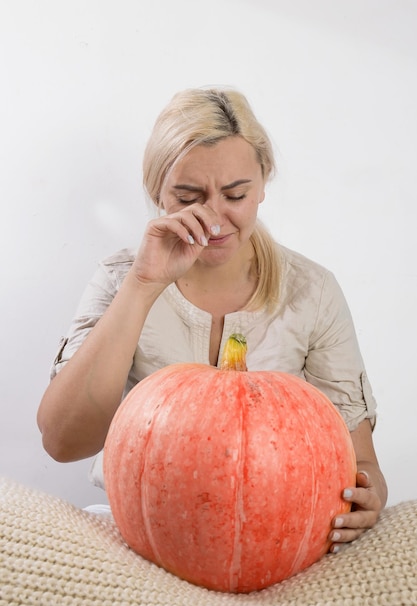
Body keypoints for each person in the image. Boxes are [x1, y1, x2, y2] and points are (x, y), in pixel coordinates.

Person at [37, 87, 388, 553]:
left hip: (273, 538)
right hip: (141, 533)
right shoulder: (121, 279)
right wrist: (142, 286)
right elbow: (63, 442)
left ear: (263, 183)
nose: (215, 218)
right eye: (189, 196)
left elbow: (362, 463)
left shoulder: (314, 292)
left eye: (236, 194)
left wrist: (371, 494)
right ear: (157, 192)